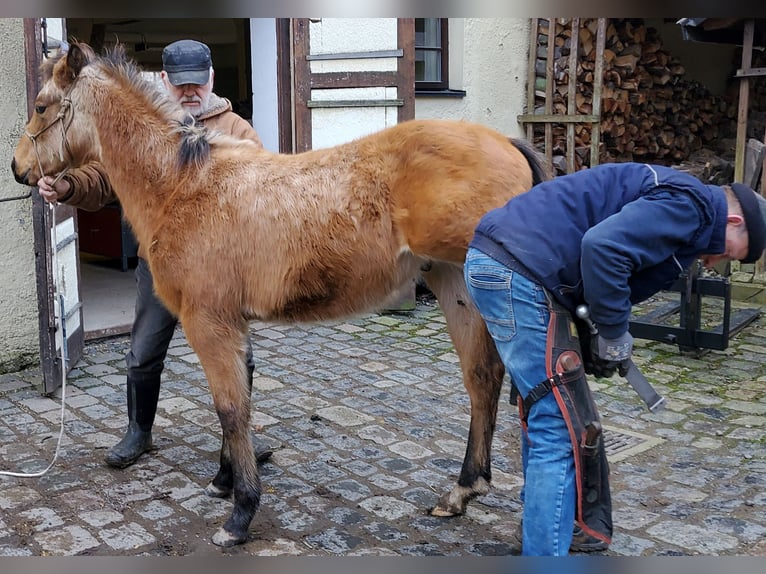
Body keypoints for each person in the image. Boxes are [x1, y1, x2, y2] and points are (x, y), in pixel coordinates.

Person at [463, 162, 766, 556]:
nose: (717, 263)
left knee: (543, 407)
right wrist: (613, 332)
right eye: (734, 253)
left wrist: (596, 332)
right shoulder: (692, 206)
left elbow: (603, 265)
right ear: (735, 219)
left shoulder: (682, 204)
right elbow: (604, 248)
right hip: (521, 272)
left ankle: (549, 525)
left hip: (504, 262)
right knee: (557, 425)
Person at [37, 39, 274, 469]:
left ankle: (238, 442)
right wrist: (68, 185)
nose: (190, 92)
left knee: (238, 354)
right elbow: (101, 178)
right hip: (159, 262)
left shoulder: (237, 129)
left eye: (197, 84)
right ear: (164, 80)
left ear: (211, 79)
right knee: (144, 350)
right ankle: (138, 432)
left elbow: (260, 189)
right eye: (180, 84)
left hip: (221, 272)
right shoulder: (137, 127)